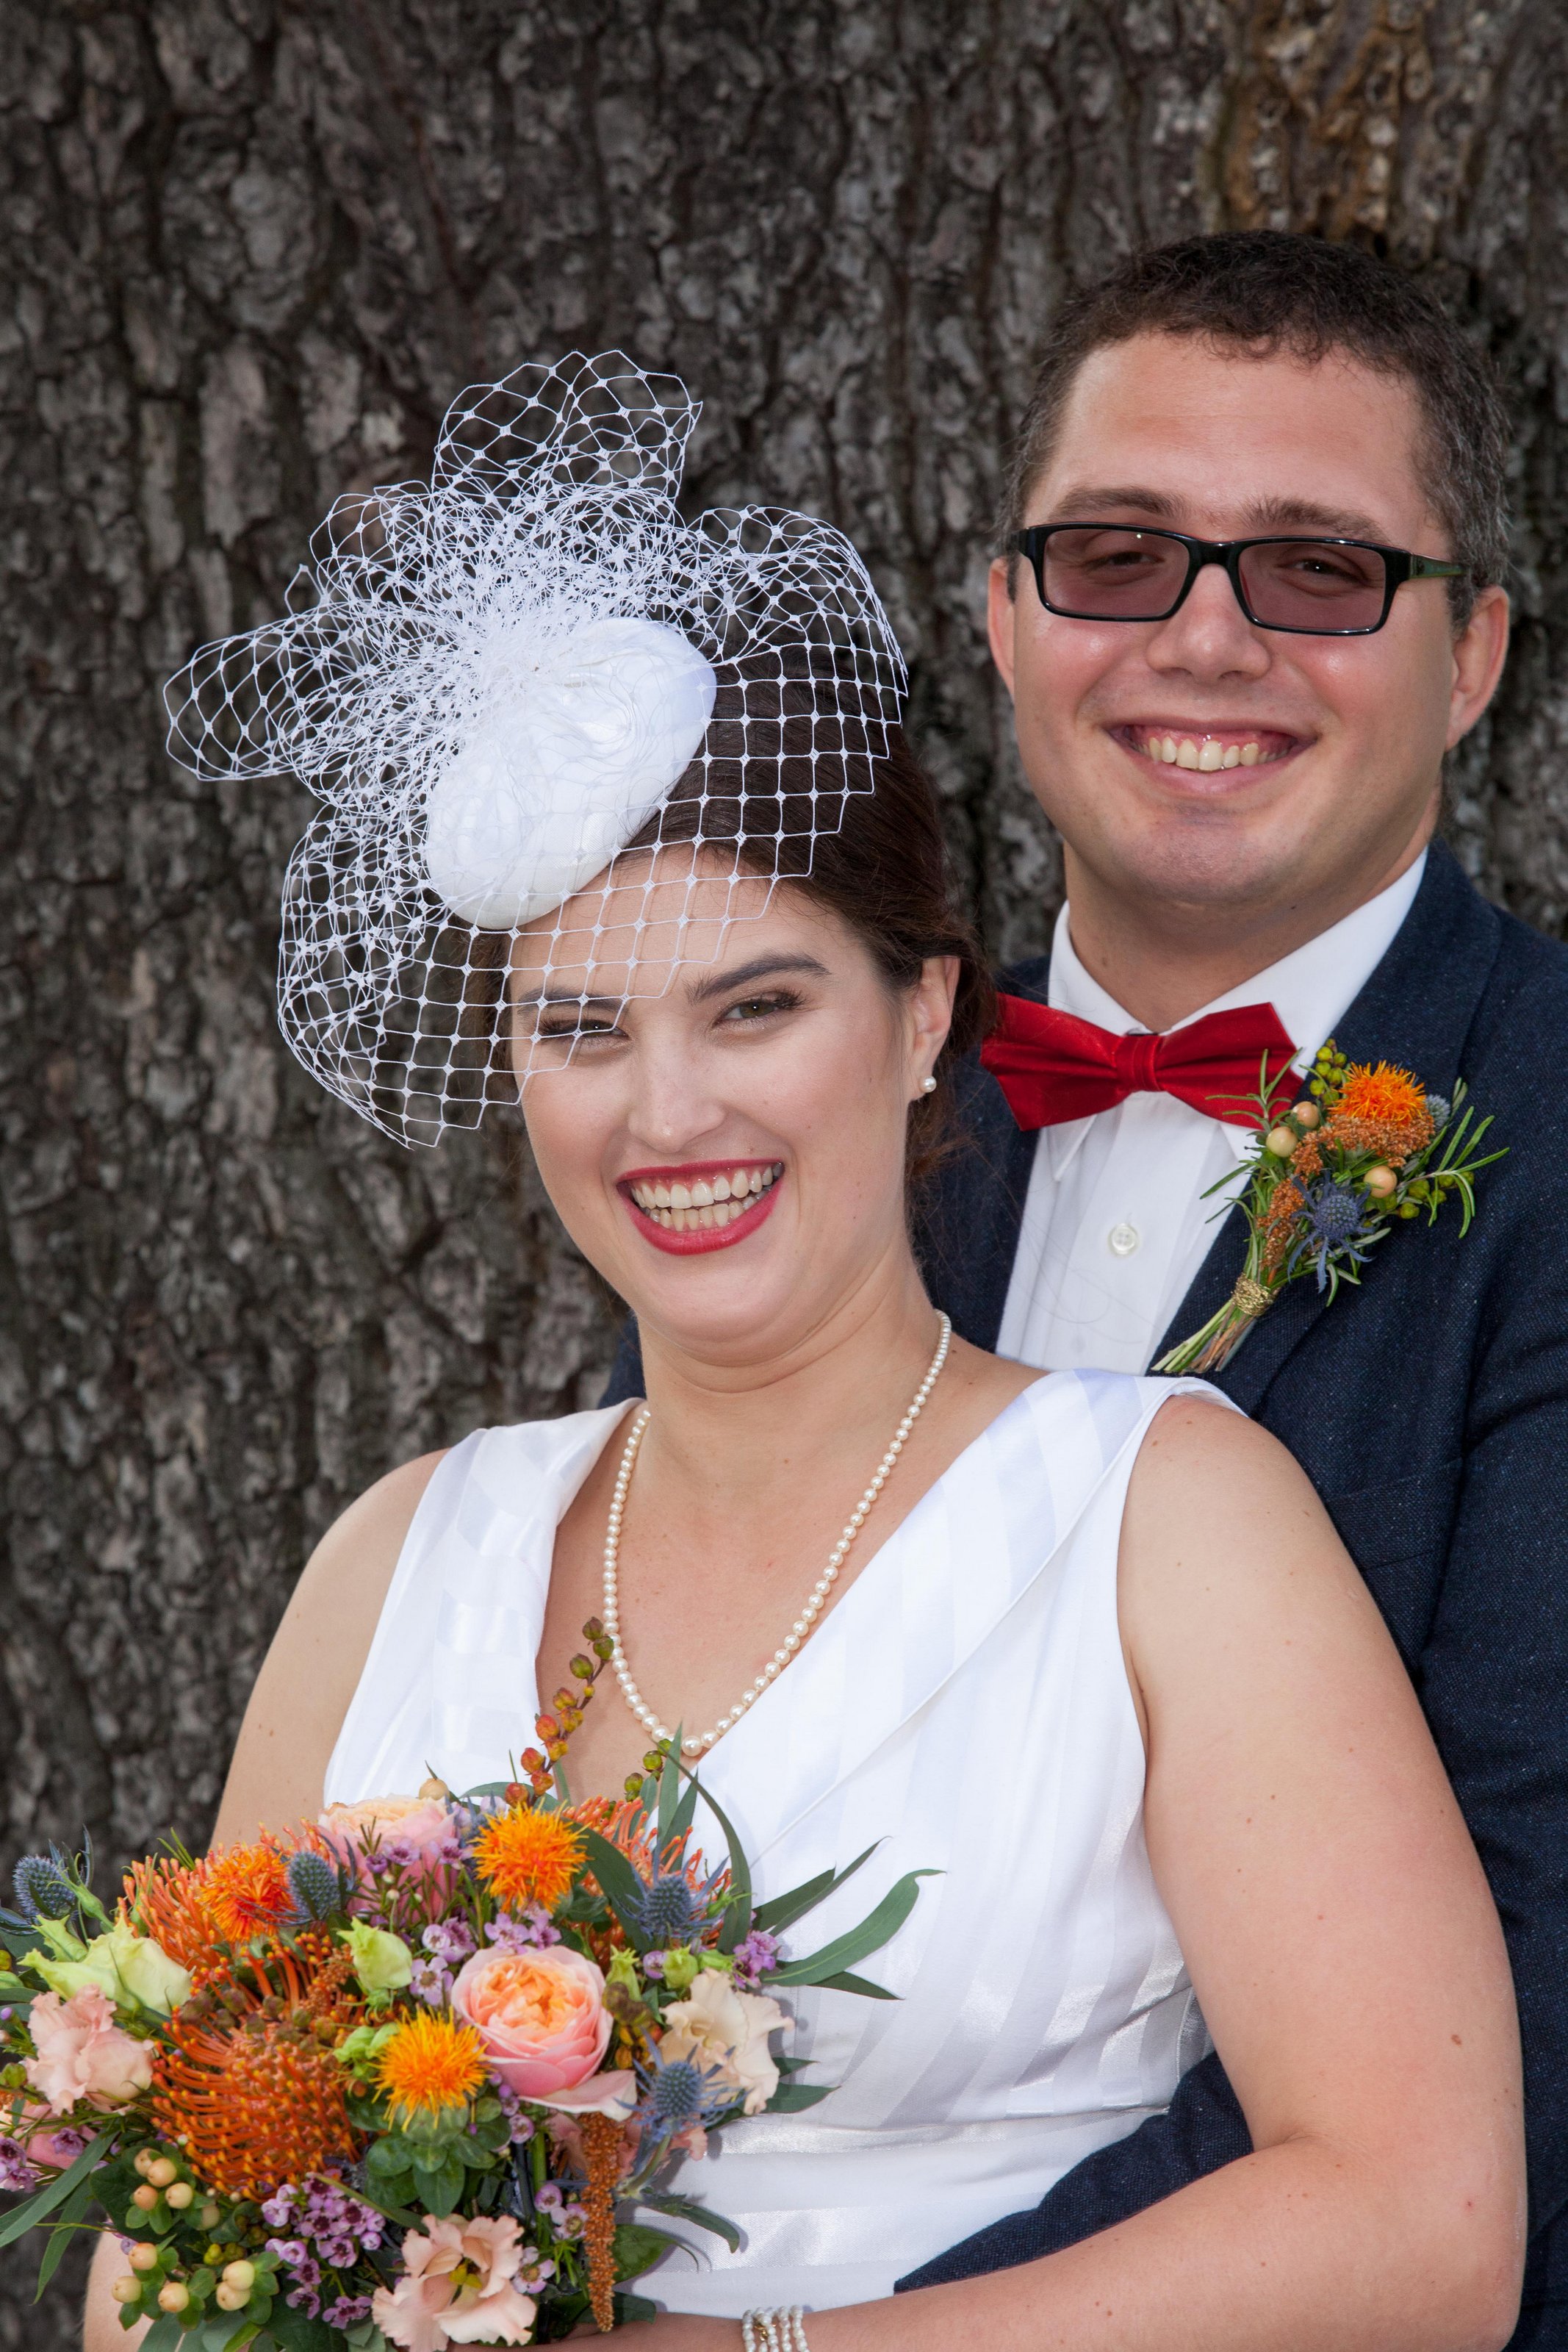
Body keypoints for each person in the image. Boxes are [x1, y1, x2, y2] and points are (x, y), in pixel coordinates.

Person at [83, 351, 1525, 2352]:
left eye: (754, 1007)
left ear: (924, 1014)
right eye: (582, 1031)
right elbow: (160, 2259)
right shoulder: (397, 1555)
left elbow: (1422, 2231)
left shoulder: (1176, 1517)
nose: (668, 1112)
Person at [821, 232, 1568, 2345]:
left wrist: (825, 2332)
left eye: (1320, 569)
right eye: (1119, 556)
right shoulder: (822, 1118)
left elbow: (1525, 1991)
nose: (1208, 640)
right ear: (1004, 615)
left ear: (1474, 654)